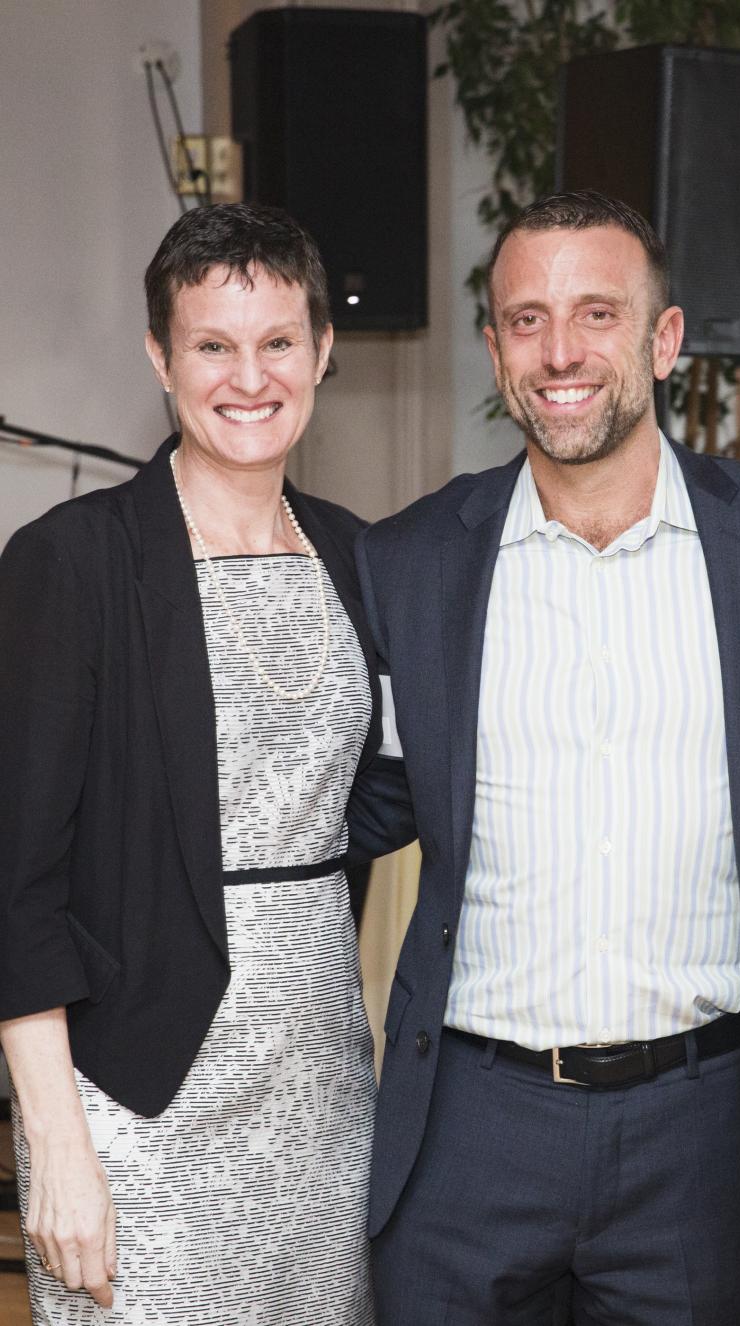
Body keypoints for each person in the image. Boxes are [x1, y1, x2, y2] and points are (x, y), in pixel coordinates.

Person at [348, 189, 740, 1324]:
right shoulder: (412, 562)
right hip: (470, 1128)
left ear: (663, 341)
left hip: (706, 1130)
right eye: (525, 319)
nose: (559, 351)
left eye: (595, 314)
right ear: (493, 347)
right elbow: (355, 806)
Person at [0, 202, 382, 1324]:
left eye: (275, 342)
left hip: (321, 1082)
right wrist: (57, 1142)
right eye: (212, 344)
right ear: (161, 357)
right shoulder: (74, 562)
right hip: (136, 1094)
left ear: (320, 351)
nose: (247, 376)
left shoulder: (360, 555)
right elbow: (16, 882)